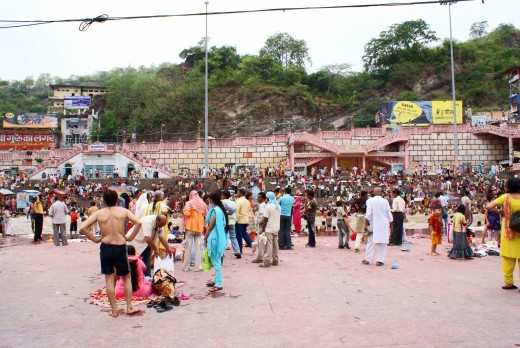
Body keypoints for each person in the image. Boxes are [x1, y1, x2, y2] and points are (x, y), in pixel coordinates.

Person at [79, 189, 143, 317]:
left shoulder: (99, 213)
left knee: (109, 279)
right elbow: (139, 222)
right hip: (120, 246)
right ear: (117, 200)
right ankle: (129, 307)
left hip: (106, 246)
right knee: (126, 277)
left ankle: (114, 310)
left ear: (103, 200)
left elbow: (82, 228)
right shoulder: (123, 211)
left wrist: (95, 239)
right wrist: (130, 238)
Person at [486, 177, 520, 290]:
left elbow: (489, 206)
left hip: (508, 232)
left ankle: (508, 283)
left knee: (507, 259)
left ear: (508, 187)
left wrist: (500, 211)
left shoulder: (505, 197)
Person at [204, 191, 229, 293]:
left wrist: (205, 237)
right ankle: (215, 280)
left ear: (211, 200)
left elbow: (210, 227)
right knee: (216, 261)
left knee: (216, 262)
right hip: (218, 237)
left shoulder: (215, 211)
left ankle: (218, 283)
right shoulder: (220, 209)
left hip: (214, 238)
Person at [362, 187, 393, 266]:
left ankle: (367, 259)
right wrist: (391, 225)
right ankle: (380, 260)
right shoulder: (385, 201)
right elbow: (389, 214)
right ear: (381, 193)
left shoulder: (370, 201)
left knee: (371, 242)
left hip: (374, 224)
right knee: (383, 242)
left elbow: (368, 214)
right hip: (384, 224)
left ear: (374, 193)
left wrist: (365, 224)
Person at [183, 190, 208, 272]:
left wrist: (191, 211)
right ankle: (198, 266)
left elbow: (186, 213)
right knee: (199, 248)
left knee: (188, 248)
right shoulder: (203, 204)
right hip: (199, 229)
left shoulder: (189, 203)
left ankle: (186, 267)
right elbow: (206, 215)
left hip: (190, 228)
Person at [259, 191, 281, 267]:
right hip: (276, 228)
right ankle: (275, 260)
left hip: (269, 228)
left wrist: (263, 229)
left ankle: (267, 262)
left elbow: (265, 219)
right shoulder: (278, 206)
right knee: (275, 245)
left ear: (267, 198)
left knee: (269, 245)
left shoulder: (268, 206)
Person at [235, 188, 256, 254]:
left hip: (239, 220)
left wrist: (235, 220)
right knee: (244, 233)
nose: (237, 193)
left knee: (239, 235)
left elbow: (237, 211)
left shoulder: (238, 201)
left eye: (238, 192)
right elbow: (249, 209)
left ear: (241, 193)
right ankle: (251, 242)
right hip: (245, 219)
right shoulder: (247, 201)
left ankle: (239, 250)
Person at [222, 190, 240, 259]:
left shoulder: (222, 203)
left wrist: (225, 214)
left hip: (224, 222)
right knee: (233, 237)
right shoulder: (233, 203)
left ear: (224, 195)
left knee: (223, 237)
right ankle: (237, 251)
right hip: (232, 221)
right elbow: (234, 210)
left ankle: (222, 252)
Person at [252, 192, 267, 264]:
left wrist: (258, 221)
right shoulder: (261, 205)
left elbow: (263, 217)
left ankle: (260, 258)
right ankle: (260, 257)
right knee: (261, 242)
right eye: (257, 197)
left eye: (259, 197)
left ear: (263, 198)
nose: (258, 199)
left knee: (261, 242)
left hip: (261, 226)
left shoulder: (263, 206)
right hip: (259, 226)